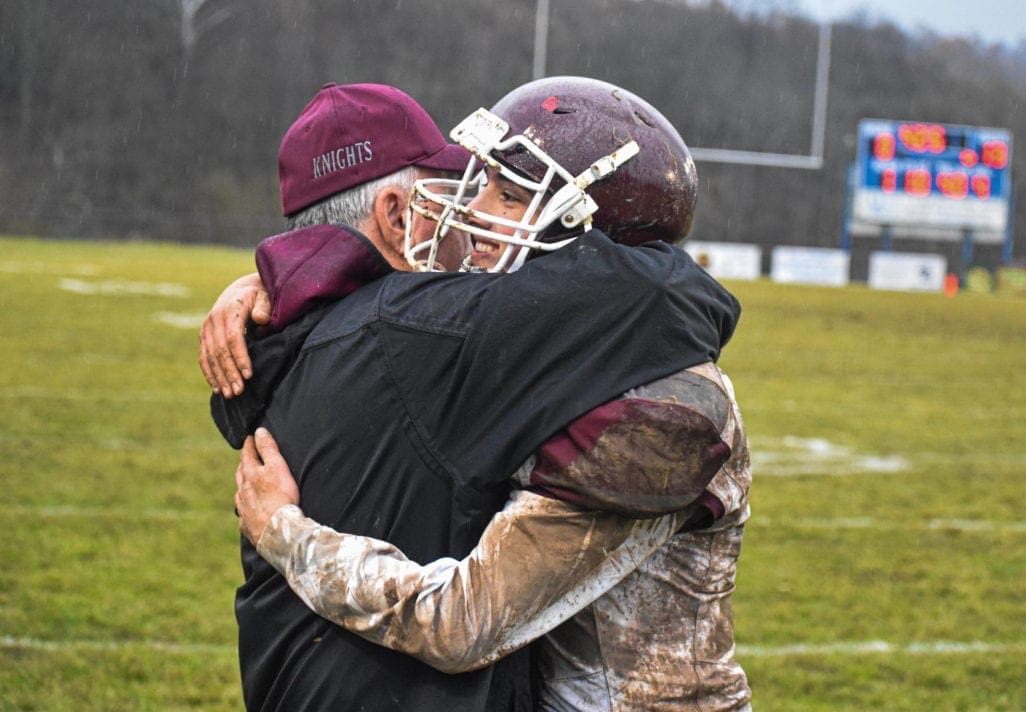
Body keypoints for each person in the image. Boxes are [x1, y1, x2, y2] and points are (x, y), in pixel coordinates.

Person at [207, 76, 749, 710]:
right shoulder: (541, 354)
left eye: (511, 194)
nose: (476, 208)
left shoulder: (662, 409)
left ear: (590, 235)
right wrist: (283, 280)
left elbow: (462, 622)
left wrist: (287, 533)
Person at [199, 81, 471, 400]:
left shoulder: (283, 366)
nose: (465, 218)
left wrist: (272, 284)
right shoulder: (423, 354)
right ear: (397, 217)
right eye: (449, 200)